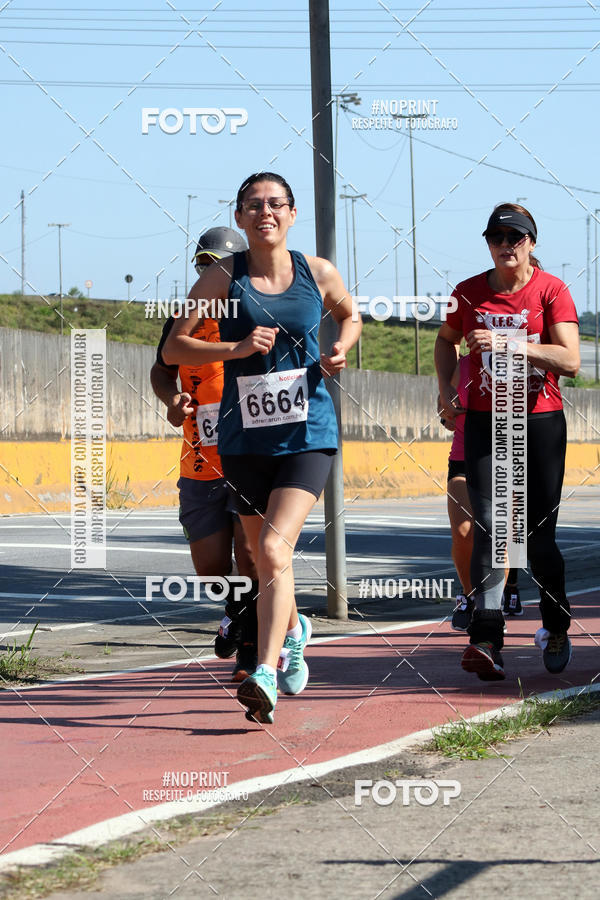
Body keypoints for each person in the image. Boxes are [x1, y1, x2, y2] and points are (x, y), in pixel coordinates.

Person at [163, 172, 362, 723]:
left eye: (275, 204)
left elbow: (350, 314)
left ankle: (265, 672)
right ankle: (295, 628)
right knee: (259, 561)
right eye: (253, 205)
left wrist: (340, 346)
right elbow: (176, 347)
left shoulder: (316, 272)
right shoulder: (223, 279)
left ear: (292, 214)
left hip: (307, 433)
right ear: (241, 216)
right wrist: (236, 346)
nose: (265, 213)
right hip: (244, 440)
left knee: (273, 551)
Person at [435, 202, 579, 680]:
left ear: (532, 244)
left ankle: (557, 626)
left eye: (515, 238)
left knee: (536, 537)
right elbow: (444, 340)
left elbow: (570, 360)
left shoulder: (552, 291)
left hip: (538, 421)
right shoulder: (468, 291)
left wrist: (511, 345)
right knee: (492, 528)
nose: (505, 246)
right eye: (496, 238)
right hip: (482, 420)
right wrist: (445, 389)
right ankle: (487, 639)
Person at [150, 226, 258, 682]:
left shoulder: (256, 314)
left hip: (251, 456)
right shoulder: (182, 320)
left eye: (220, 265)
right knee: (212, 569)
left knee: (251, 554)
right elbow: (161, 368)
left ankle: (252, 655)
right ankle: (234, 606)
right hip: (198, 462)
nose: (209, 272)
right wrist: (171, 399)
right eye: (203, 264)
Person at [441, 354, 522, 632]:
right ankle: (471, 597)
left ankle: (493, 608)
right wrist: (447, 413)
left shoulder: (519, 362)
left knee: (501, 536)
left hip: (506, 456)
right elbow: (444, 410)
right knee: (463, 532)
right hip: (464, 455)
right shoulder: (461, 365)